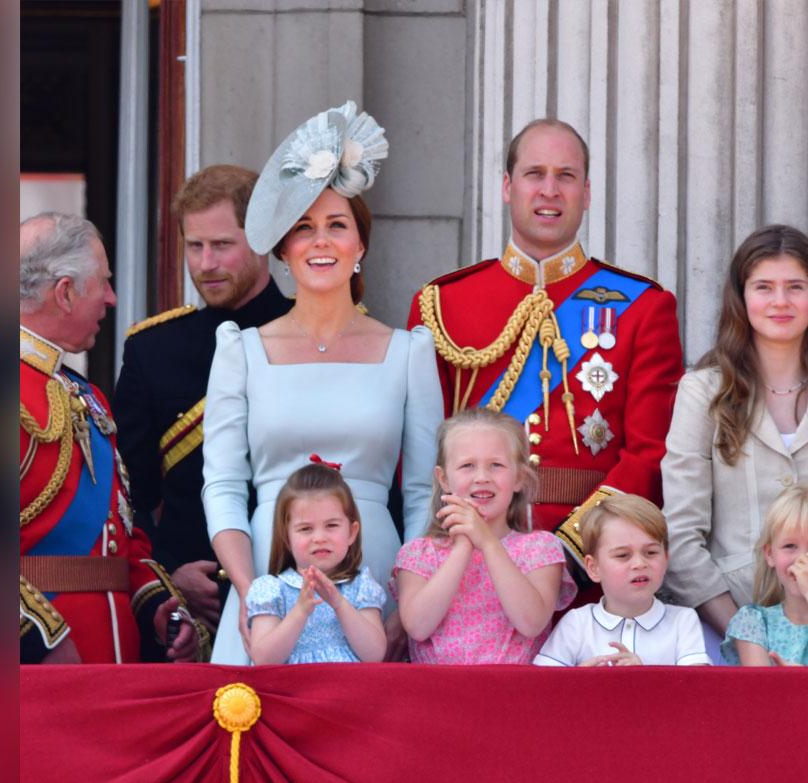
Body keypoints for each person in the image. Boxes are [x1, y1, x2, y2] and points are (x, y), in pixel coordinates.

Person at [202, 101, 442, 665]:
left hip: (377, 576)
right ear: (284, 249)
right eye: (304, 228)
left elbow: (421, 498)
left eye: (337, 226)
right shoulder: (242, 350)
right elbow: (223, 487)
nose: (321, 242)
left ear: (360, 246)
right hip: (266, 570)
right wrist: (246, 589)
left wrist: (407, 601)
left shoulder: (409, 351)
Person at [408, 118, 683, 597]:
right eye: (535, 174)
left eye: (566, 176)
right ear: (507, 187)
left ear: (588, 192)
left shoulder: (642, 306)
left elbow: (650, 453)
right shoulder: (442, 304)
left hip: (595, 571)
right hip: (470, 564)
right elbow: (419, 456)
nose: (550, 190)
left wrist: (577, 552)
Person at [19, 212, 205, 663]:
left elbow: (117, 536)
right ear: (64, 293)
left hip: (114, 665)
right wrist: (39, 638)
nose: (111, 298)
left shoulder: (88, 395)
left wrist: (158, 607)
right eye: (102, 283)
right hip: (40, 671)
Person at [113, 166, 291, 633]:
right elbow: (127, 496)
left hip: (302, 585)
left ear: (263, 238)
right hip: (193, 607)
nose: (205, 262)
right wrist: (169, 573)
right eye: (195, 246)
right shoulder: (151, 350)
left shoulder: (313, 333)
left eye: (222, 245)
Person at [660, 224, 808, 660]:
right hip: (726, 622)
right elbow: (680, 533)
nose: (780, 301)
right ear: (742, 299)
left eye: (795, 286)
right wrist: (742, 629)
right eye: (764, 287)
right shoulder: (703, 391)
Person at [392, 409, 577, 664]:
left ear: (519, 478)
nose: (482, 477)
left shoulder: (540, 548)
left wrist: (488, 543)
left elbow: (531, 622)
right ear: (444, 479)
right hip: (436, 697)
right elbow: (418, 626)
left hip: (514, 696)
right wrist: (463, 546)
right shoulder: (418, 554)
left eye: (496, 465)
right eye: (467, 466)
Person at [534, 492, 709, 667]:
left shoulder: (683, 621)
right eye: (623, 555)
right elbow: (543, 685)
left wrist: (643, 678)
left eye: (651, 553)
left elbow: (696, 689)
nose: (640, 563)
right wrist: (579, 681)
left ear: (666, 559)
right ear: (593, 568)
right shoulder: (576, 623)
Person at [246, 460, 389, 664]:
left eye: (331, 525)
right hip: (291, 693)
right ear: (286, 537)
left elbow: (375, 654)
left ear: (352, 533)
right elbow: (263, 659)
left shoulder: (361, 587)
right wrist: (300, 611)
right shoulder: (271, 589)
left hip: (349, 692)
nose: (320, 537)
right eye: (305, 529)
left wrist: (339, 603)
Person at [721, 483, 808, 666]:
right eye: (790, 546)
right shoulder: (753, 622)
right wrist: (789, 683)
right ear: (770, 555)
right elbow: (759, 690)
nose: (803, 558)